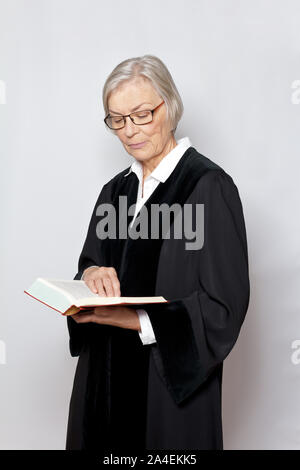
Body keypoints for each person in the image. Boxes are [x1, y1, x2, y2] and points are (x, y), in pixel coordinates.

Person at [65, 54, 250, 451]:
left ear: (170, 105)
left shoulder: (208, 188)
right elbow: (87, 267)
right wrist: (92, 274)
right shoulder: (114, 193)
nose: (129, 131)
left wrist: (134, 320)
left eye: (142, 114)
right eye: (117, 119)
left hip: (166, 394)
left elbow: (223, 309)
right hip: (104, 383)